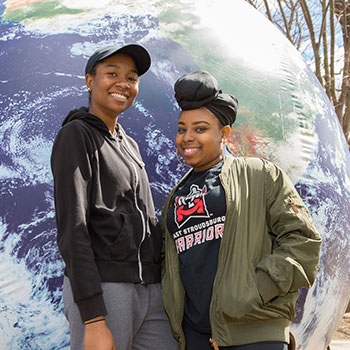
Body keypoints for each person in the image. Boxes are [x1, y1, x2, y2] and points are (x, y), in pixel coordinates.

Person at [161, 71, 322, 350]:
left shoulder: (260, 174)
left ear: (224, 133)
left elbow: (303, 240)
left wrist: (257, 289)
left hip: (256, 334)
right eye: (181, 129)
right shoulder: (176, 197)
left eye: (200, 129)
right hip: (195, 338)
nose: (187, 137)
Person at [51, 44, 177, 350]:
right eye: (112, 74)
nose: (124, 83)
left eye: (132, 78)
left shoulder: (130, 146)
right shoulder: (76, 135)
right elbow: (73, 227)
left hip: (149, 289)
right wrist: (93, 318)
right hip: (106, 290)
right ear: (90, 81)